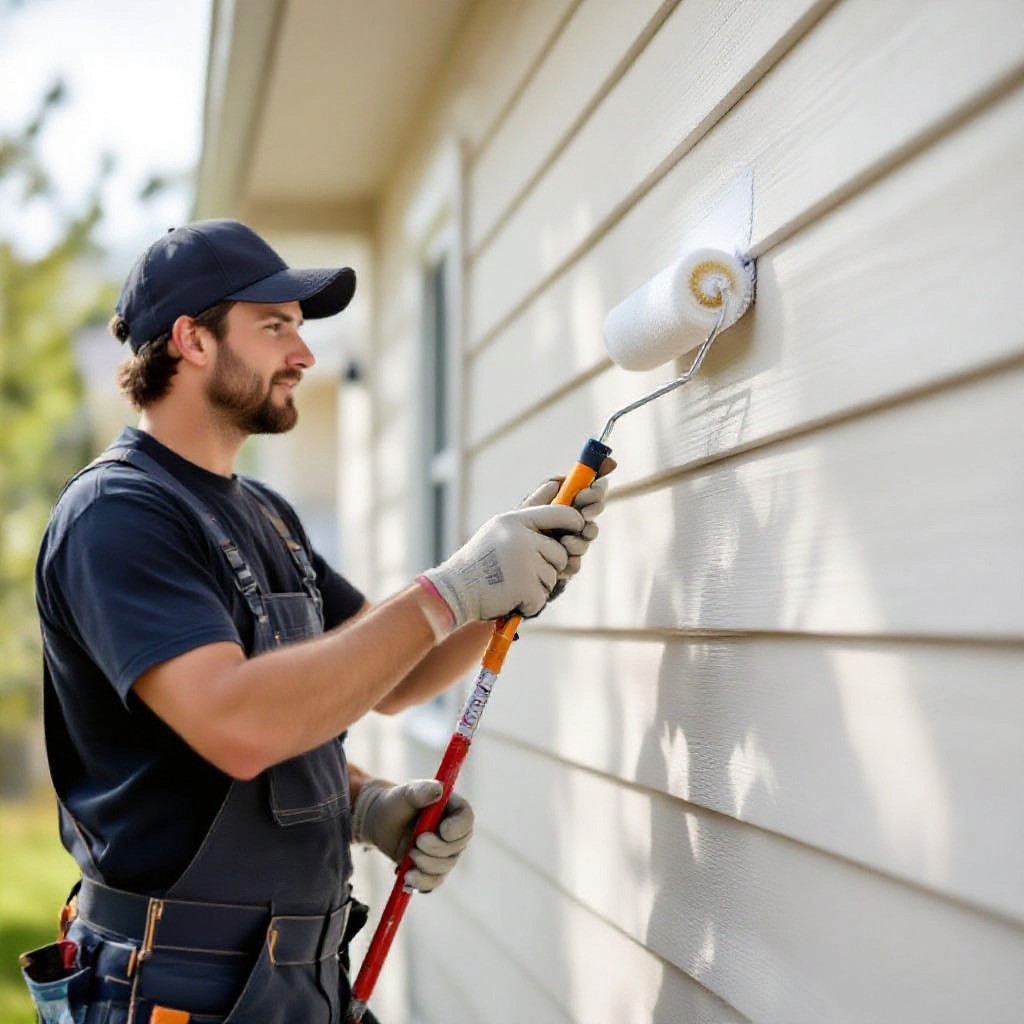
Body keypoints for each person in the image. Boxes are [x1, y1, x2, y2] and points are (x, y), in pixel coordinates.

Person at [25, 219, 611, 1024]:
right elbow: (237, 722)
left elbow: (397, 675)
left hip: (295, 981)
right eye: (275, 328)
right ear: (192, 340)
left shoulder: (264, 513)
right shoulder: (119, 515)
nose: (303, 355)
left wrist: (502, 587)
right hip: (177, 990)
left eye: (300, 330)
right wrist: (453, 588)